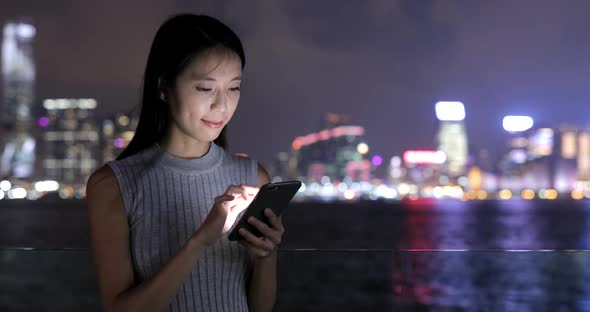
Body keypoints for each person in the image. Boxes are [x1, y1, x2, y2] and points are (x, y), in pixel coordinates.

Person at [86, 14, 283, 312]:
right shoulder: (114, 185)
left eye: (234, 87)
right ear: (163, 86)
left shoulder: (253, 177)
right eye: (205, 88)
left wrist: (267, 256)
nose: (222, 105)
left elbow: (260, 308)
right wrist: (200, 241)